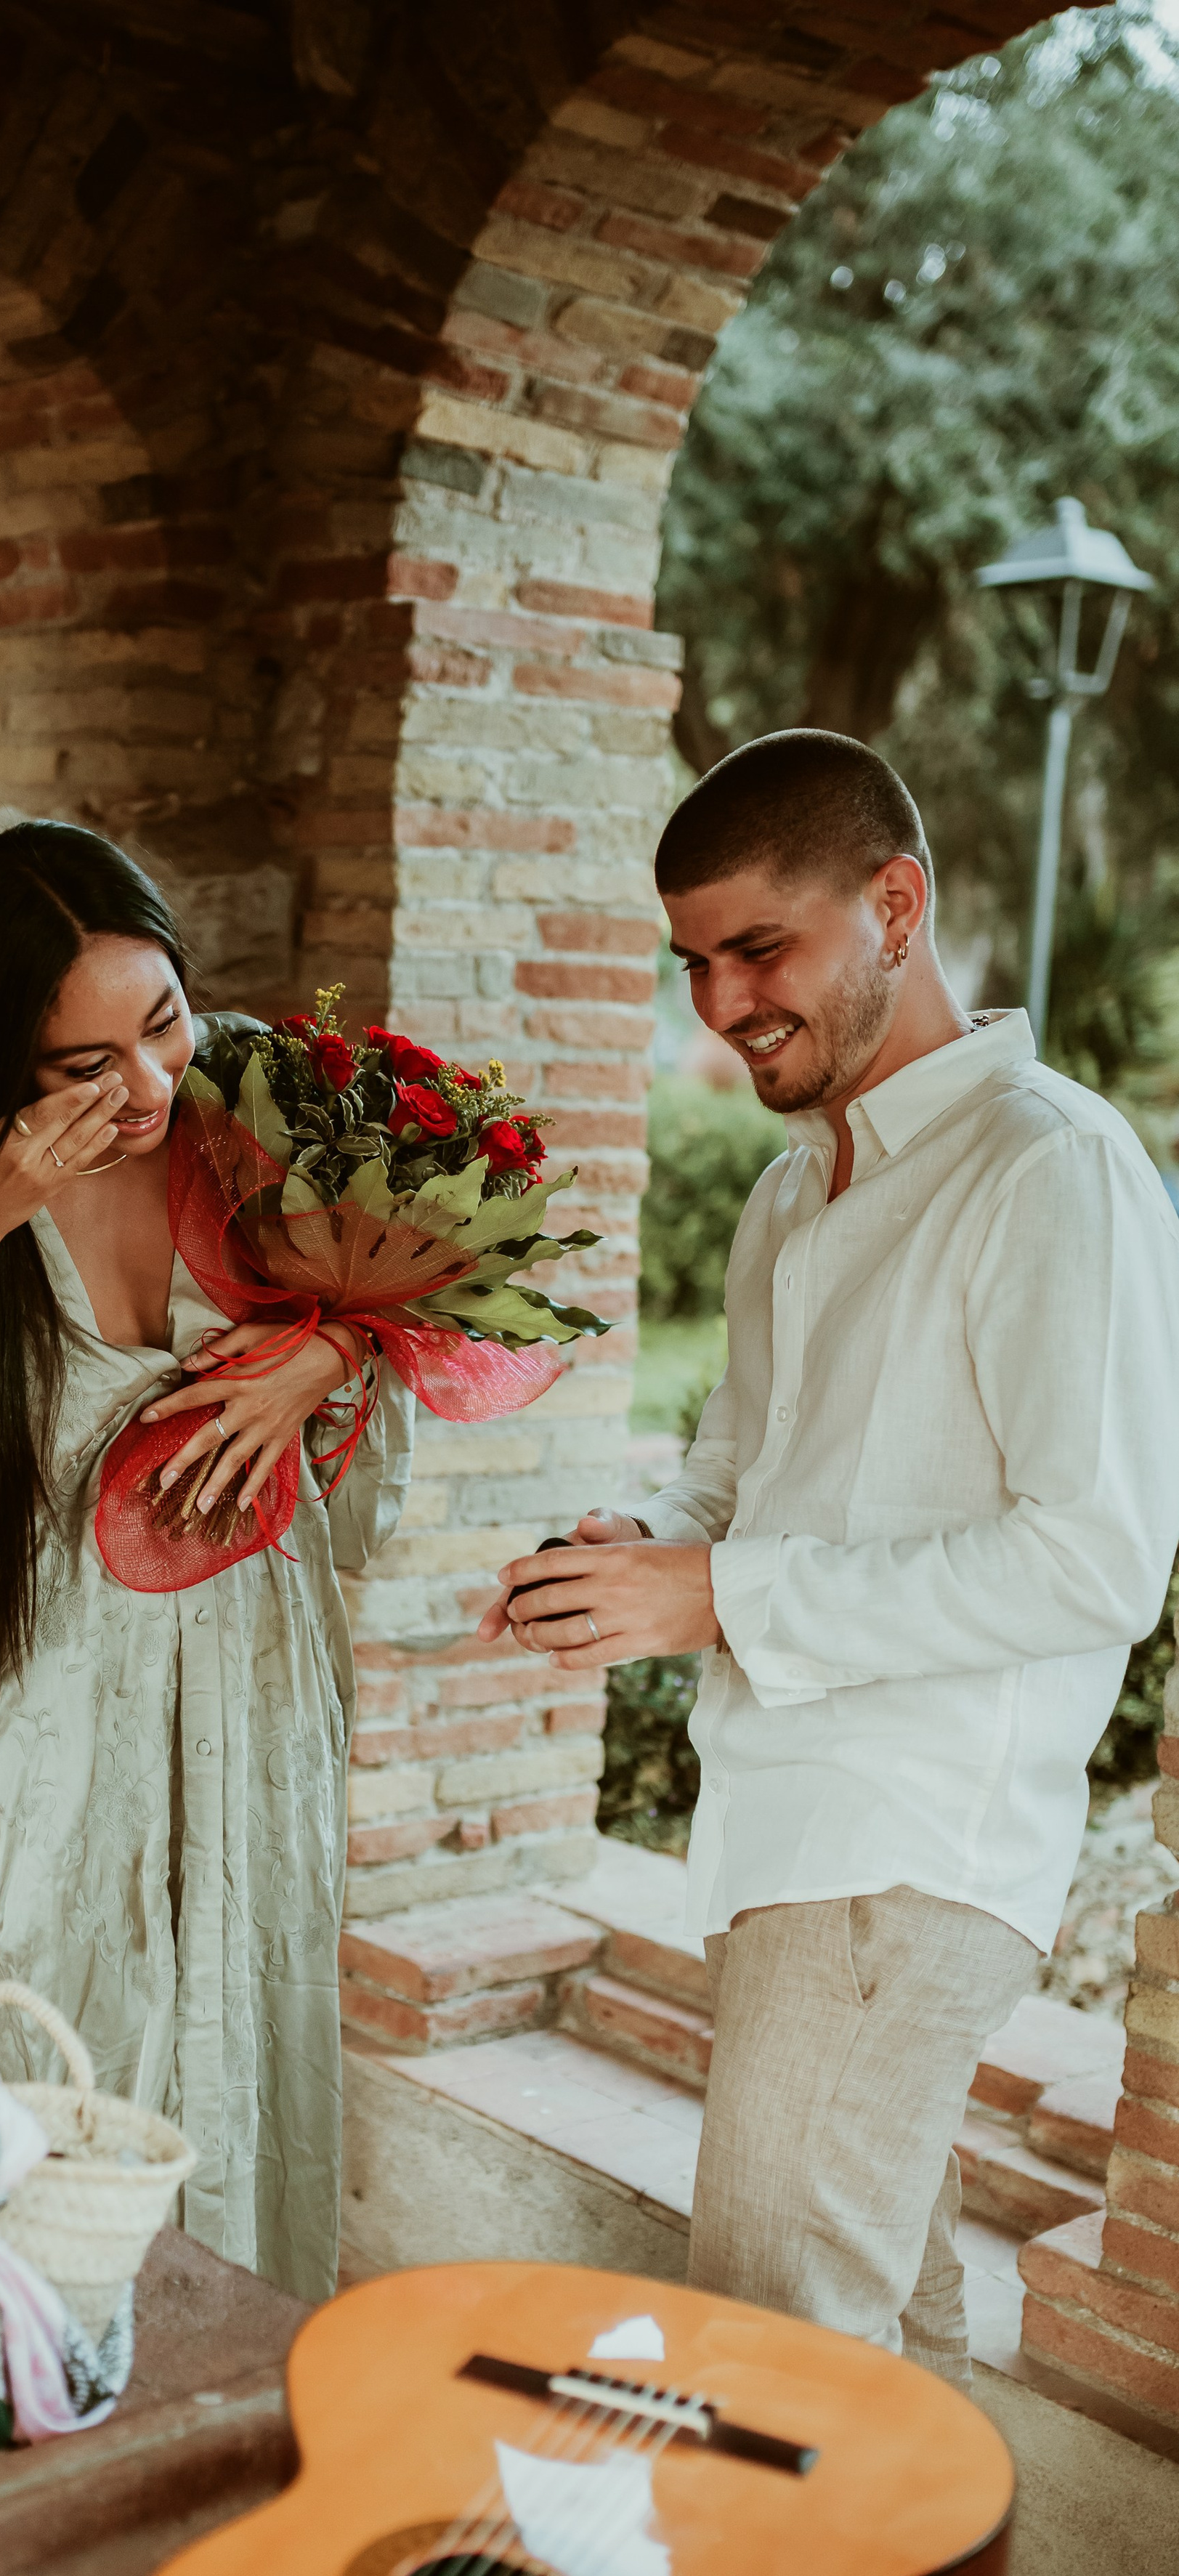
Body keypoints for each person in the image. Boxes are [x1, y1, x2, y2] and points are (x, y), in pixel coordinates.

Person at [480, 729, 1179, 2390]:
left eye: (755, 950)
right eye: (693, 965)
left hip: (906, 1849)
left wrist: (711, 1596)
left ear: (893, 904)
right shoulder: (791, 1197)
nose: (716, 1005)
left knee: (773, 2350)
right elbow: (736, 1479)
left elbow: (1093, 1565)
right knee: (895, 2337)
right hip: (785, 1826)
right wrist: (633, 1554)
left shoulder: (1051, 1165)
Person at [0, 821, 411, 2304]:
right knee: (59, 2106)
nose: (144, 1086)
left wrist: (324, 1352)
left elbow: (410, 1317)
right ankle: (44, 2407)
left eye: (164, 1018)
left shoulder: (257, 1106)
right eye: (81, 1065)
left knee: (246, 2067)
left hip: (254, 1700)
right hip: (44, 1732)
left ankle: (227, 2427)